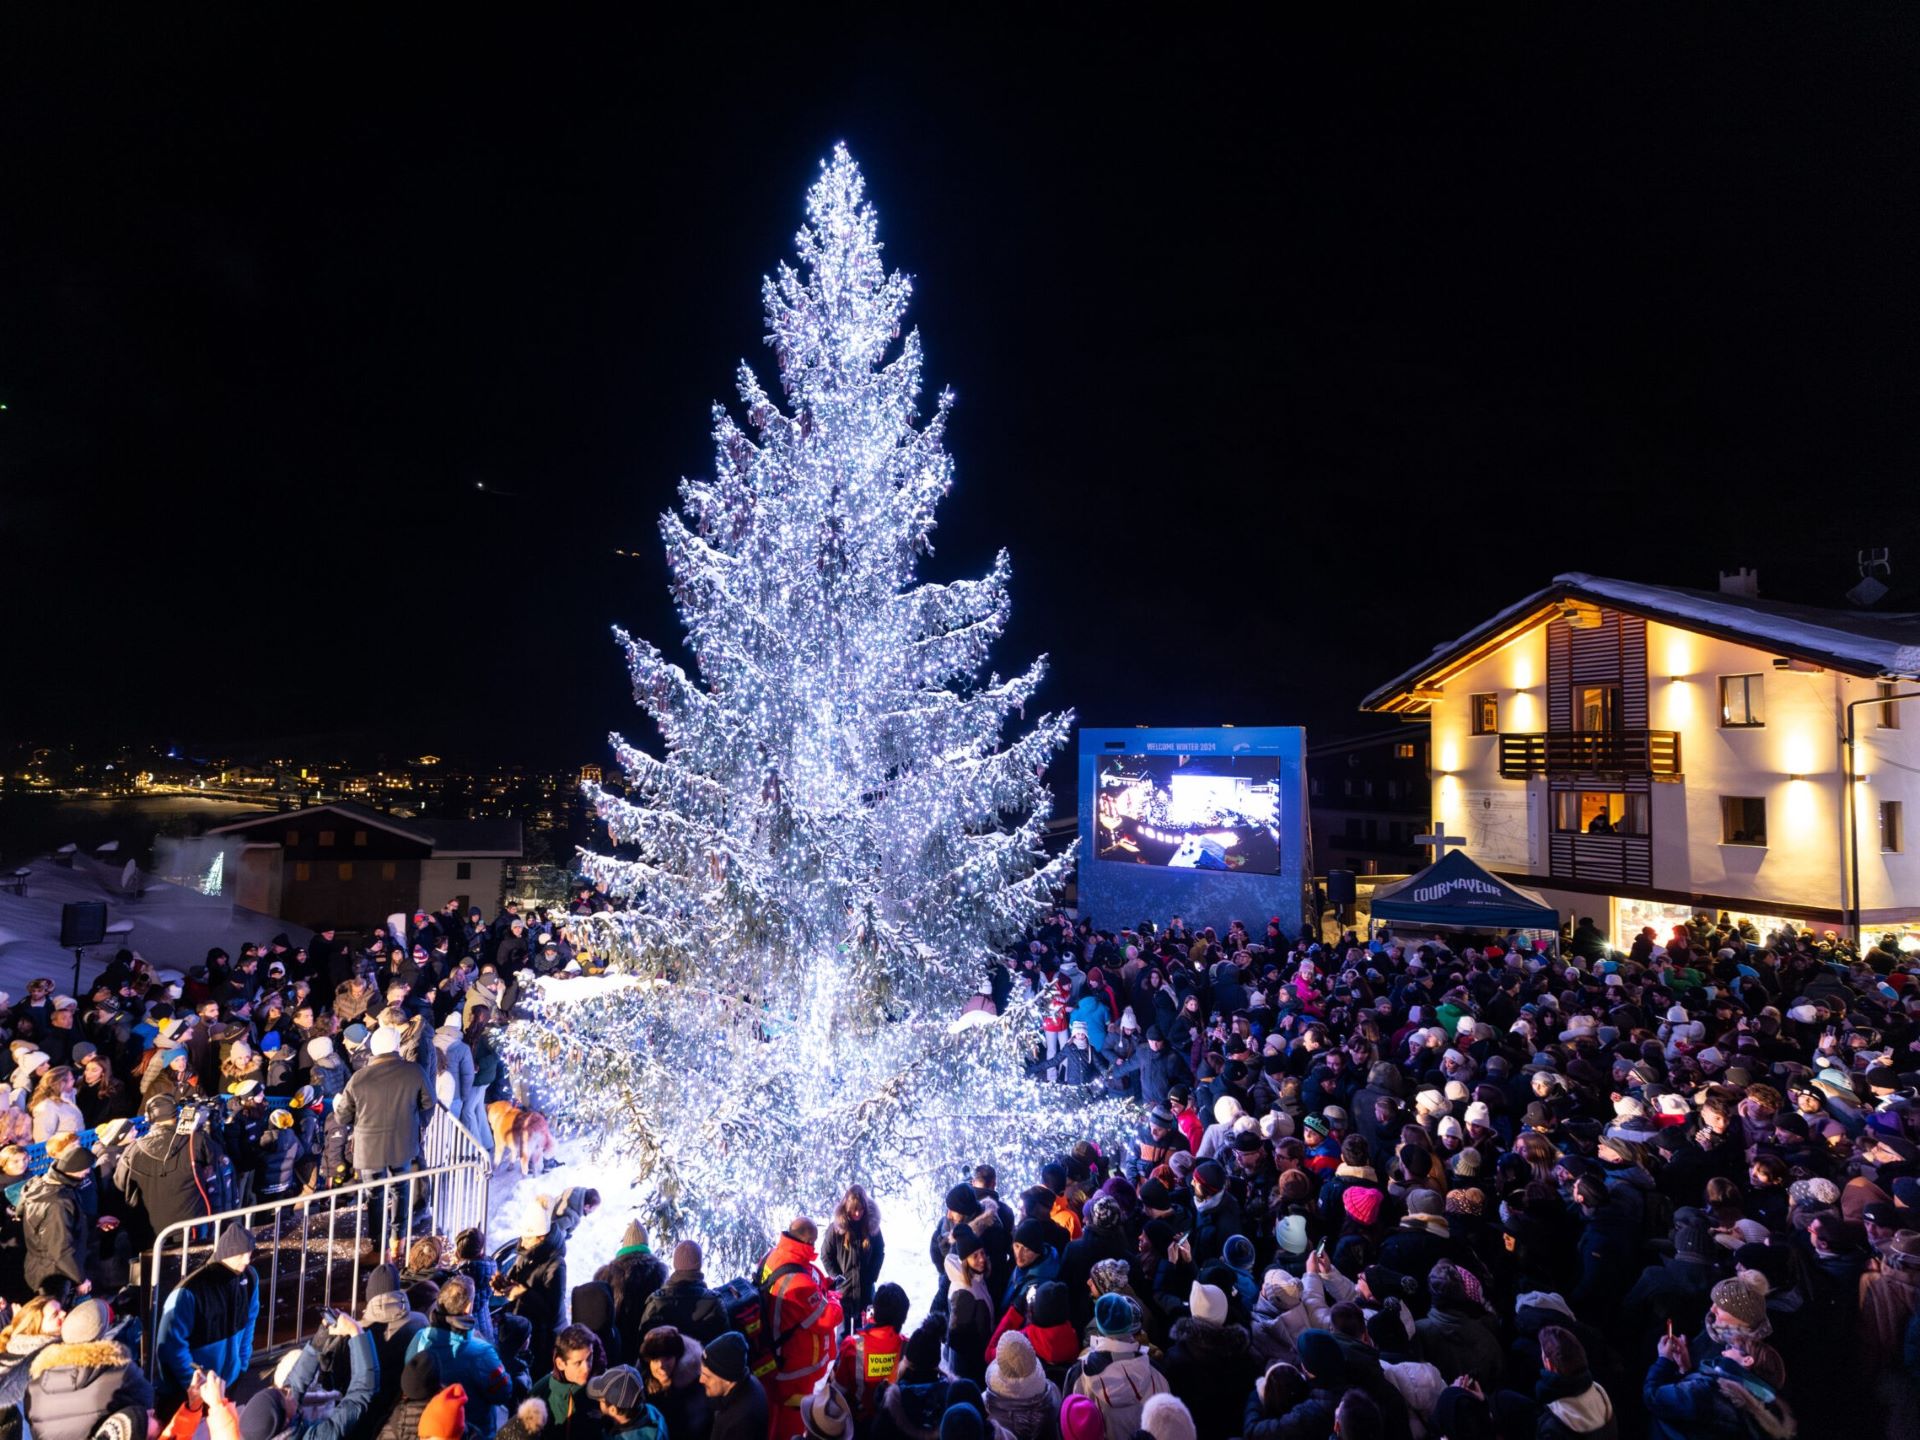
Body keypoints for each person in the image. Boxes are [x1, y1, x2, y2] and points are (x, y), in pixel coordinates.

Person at [758, 1216, 843, 1440]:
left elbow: (806, 1274)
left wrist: (826, 1284)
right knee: (793, 1419)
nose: (815, 1247)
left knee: (776, 1411)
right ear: (807, 1242)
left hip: (776, 1352)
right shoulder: (798, 1282)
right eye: (813, 1242)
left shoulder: (772, 1256)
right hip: (795, 1364)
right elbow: (828, 1317)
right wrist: (834, 1297)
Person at [24, 1297, 155, 1440]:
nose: (63, 1314)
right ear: (103, 1329)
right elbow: (148, 1403)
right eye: (55, 1314)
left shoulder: (32, 1387)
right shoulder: (120, 1371)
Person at [155, 1223, 260, 1398]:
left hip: (229, 1384)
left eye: (249, 1254)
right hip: (192, 1391)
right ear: (227, 1253)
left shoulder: (249, 1277)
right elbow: (171, 1346)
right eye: (241, 1254)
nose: (247, 1260)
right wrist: (195, 1385)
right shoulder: (190, 1291)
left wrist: (242, 1365)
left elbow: (249, 1321)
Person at [235, 1313, 380, 1440]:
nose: (289, 1390)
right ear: (285, 1420)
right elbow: (360, 1395)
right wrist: (356, 1332)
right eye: (284, 1393)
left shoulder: (272, 1429)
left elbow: (295, 1382)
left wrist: (320, 1339)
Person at [405, 1275, 512, 1439]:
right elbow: (503, 1393)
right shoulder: (482, 1352)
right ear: (468, 1307)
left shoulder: (419, 1337)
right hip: (473, 1431)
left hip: (430, 1430)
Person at [834, 1281, 909, 1428]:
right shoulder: (907, 1346)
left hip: (860, 1422)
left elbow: (838, 1390)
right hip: (894, 1422)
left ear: (875, 1311)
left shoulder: (853, 1345)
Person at [21, 1146, 92, 1298]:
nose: (88, 1172)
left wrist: (94, 1220)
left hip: (41, 1268)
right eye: (86, 1169)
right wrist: (80, 1278)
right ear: (77, 1169)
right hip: (53, 1276)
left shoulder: (43, 1184)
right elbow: (60, 1249)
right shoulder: (57, 1203)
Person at [597, 1220, 668, 1366]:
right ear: (645, 1245)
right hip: (646, 1346)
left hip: (612, 1346)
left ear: (625, 1245)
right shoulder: (659, 1272)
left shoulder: (605, 1273)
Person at [821, 1184, 885, 1338]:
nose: (857, 1213)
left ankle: (858, 1361)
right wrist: (837, 1275)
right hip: (844, 1290)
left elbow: (879, 1252)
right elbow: (826, 1255)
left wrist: (871, 1276)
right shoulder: (836, 1229)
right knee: (842, 1334)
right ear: (846, 1207)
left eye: (861, 1210)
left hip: (866, 1289)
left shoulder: (872, 1227)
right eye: (854, 1209)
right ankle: (843, 1361)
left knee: (862, 1332)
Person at [639, 1241, 729, 1345]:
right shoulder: (715, 1302)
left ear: (675, 1264)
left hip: (663, 1361)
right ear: (699, 1264)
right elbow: (724, 1348)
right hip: (702, 1360)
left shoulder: (655, 1302)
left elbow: (642, 1347)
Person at [531, 1324, 605, 1440]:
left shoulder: (603, 1387)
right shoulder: (540, 1393)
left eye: (589, 1358)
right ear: (560, 1364)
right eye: (578, 1363)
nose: (586, 1368)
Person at [638, 1326, 710, 1440]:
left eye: (667, 1358)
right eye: (656, 1360)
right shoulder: (642, 1385)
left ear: (677, 1358)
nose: (661, 1367)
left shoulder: (694, 1388)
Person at [698, 1331, 768, 1440]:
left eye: (707, 1376)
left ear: (728, 1379)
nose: (700, 1380)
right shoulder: (748, 1381)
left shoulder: (739, 1423)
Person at [583, 1364, 668, 1440]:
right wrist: (606, 1415)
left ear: (613, 1410)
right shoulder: (652, 1411)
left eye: (600, 1400)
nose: (598, 1402)